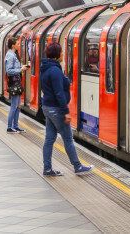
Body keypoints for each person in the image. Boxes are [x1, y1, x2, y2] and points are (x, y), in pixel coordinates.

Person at [40, 42, 93, 176]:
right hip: (56, 109)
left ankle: (47, 169)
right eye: (62, 52)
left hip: (47, 107)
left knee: (49, 139)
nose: (63, 54)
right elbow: (59, 93)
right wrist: (66, 112)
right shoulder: (55, 71)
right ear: (57, 55)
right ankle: (77, 166)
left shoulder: (45, 68)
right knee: (68, 139)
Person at [5, 37, 28, 133]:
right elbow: (9, 70)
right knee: (14, 106)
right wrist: (20, 69)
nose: (19, 45)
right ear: (13, 45)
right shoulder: (10, 55)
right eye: (17, 43)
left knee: (18, 106)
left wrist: (21, 68)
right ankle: (9, 127)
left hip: (17, 82)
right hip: (14, 83)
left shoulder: (13, 54)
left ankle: (16, 126)